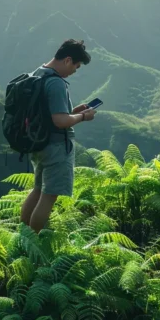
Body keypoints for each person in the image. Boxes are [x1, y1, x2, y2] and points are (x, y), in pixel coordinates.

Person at [20, 39, 96, 232]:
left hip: (38, 142)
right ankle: (34, 241)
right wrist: (83, 117)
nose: (74, 72)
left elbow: (50, 113)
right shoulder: (56, 83)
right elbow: (60, 121)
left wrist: (74, 112)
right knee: (49, 196)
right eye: (76, 67)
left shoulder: (38, 73)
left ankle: (23, 236)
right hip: (56, 147)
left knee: (37, 190)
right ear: (68, 60)